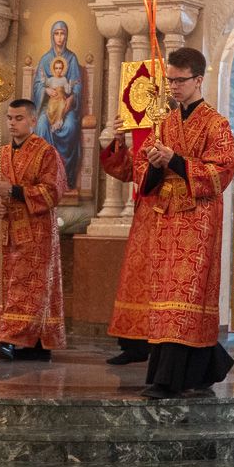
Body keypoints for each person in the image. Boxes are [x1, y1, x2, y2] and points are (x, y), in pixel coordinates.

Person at [135, 47, 234, 399]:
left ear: (198, 80)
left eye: (180, 80)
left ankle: (168, 381)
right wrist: (153, 163)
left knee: (186, 295)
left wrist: (175, 160)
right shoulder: (164, 123)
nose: (174, 86)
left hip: (198, 221)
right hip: (166, 220)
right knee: (167, 297)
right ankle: (207, 366)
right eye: (171, 80)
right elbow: (142, 168)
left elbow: (222, 172)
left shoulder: (217, 124)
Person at [0, 98, 67, 361]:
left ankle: (14, 340)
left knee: (31, 288)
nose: (13, 123)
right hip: (7, 233)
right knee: (9, 287)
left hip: (36, 234)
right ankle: (23, 341)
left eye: (19, 118)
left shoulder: (46, 153)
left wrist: (15, 191)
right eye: (9, 118)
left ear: (32, 121)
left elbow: (53, 191)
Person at [99, 110, 151, 366]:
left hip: (173, 215)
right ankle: (134, 345)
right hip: (145, 215)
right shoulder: (145, 135)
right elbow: (126, 170)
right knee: (135, 279)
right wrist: (119, 140)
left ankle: (158, 346)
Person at [33, 20, 83, 190]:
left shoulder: (72, 59)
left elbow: (76, 84)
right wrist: (45, 90)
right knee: (41, 125)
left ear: (66, 36)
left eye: (62, 33)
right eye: (56, 33)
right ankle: (45, 177)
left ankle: (64, 177)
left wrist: (72, 98)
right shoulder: (45, 59)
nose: (59, 37)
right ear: (52, 36)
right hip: (48, 106)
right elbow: (38, 84)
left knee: (70, 127)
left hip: (66, 106)